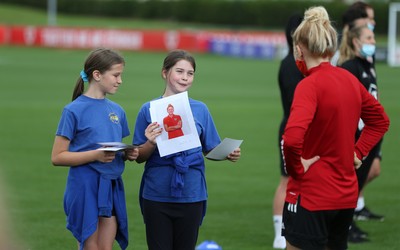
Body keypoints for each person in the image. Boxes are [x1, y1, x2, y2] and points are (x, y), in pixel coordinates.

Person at [281, 6, 389, 250]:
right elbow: (380, 121)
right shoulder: (349, 79)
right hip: (345, 196)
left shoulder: (309, 85)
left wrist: (297, 168)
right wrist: (358, 152)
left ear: (300, 48)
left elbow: (292, 139)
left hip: (311, 194)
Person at [132, 49, 241, 250]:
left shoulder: (201, 109)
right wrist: (150, 142)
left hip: (192, 193)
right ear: (165, 73)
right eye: (179, 71)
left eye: (190, 73)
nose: (185, 78)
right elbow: (138, 156)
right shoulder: (148, 109)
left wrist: (226, 153)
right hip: (157, 193)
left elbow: (210, 149)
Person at [51, 48, 139, 250]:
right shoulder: (73, 110)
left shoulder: (117, 111)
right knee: (90, 246)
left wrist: (127, 154)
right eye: (116, 75)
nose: (120, 81)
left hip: (110, 185)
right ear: (97, 75)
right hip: (84, 185)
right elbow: (57, 157)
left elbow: (113, 150)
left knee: (106, 247)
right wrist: (95, 156)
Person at [338, 23, 384, 243]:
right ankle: (344, 227)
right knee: (350, 185)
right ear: (356, 42)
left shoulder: (368, 64)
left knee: (357, 185)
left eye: (373, 38)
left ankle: (350, 223)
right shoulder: (349, 67)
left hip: (368, 136)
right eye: (369, 38)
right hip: (356, 137)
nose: (373, 42)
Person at [272, 13, 303, 250]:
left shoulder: (288, 61)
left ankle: (284, 232)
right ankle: (280, 234)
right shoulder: (293, 63)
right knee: (287, 181)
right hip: (294, 129)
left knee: (290, 181)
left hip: (291, 126)